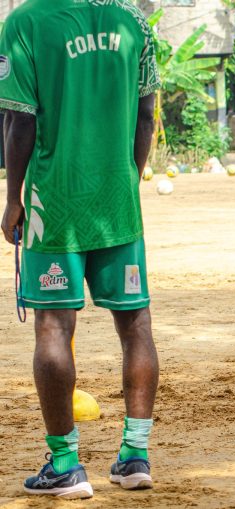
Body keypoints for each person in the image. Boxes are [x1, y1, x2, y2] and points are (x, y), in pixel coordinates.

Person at [0, 0, 160, 498]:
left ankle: (66, 463)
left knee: (52, 326)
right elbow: (147, 114)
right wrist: (128, 181)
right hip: (118, 203)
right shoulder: (132, 20)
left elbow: (19, 122)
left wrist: (12, 200)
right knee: (135, 324)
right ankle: (135, 457)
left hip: (56, 203)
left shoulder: (25, 22)